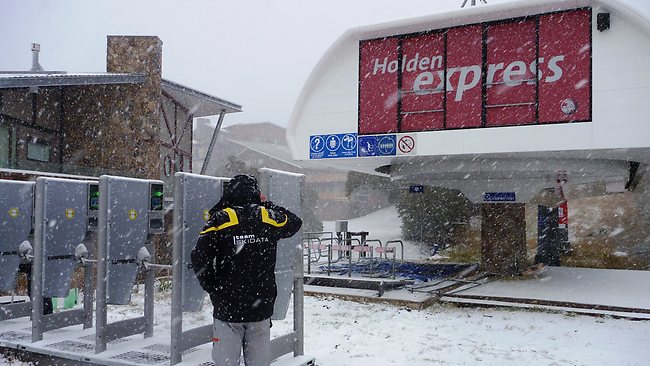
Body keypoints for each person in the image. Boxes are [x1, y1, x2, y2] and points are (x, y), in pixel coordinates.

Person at [191, 174, 302, 366]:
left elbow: (199, 257)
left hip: (228, 308)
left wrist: (214, 288)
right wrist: (266, 205)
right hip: (261, 306)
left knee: (225, 362)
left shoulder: (220, 219)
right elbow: (295, 222)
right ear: (256, 194)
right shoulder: (268, 217)